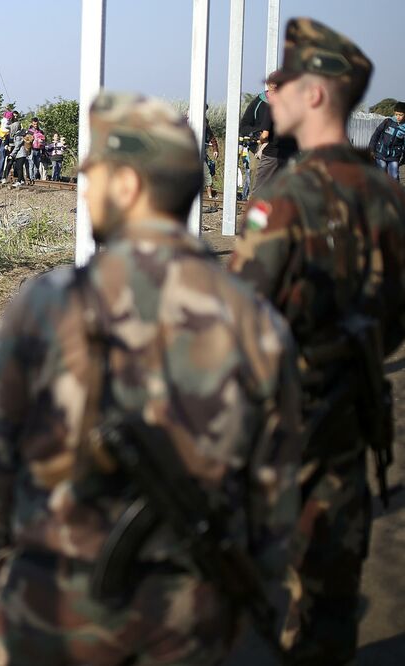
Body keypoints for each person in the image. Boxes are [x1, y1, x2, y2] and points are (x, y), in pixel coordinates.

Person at [0, 91, 300, 666]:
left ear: (127, 186)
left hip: (49, 609)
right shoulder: (256, 321)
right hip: (187, 618)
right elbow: (275, 492)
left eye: (91, 176)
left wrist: (17, 555)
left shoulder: (47, 304)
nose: (84, 190)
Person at [228, 18, 405, 664]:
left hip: (282, 425)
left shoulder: (285, 200)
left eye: (283, 79)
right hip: (352, 416)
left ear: (317, 93)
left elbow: (237, 318)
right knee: (332, 596)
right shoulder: (389, 196)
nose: (270, 89)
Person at [239, 74, 300, 196]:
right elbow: (244, 126)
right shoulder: (259, 102)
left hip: (277, 150)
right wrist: (256, 134)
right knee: (256, 171)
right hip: (259, 147)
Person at [368, 101, 405, 182]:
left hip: (394, 157)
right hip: (380, 154)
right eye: (396, 114)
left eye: (401, 115)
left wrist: (403, 159)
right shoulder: (387, 122)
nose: (398, 117)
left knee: (394, 176)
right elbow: (376, 135)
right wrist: (371, 149)